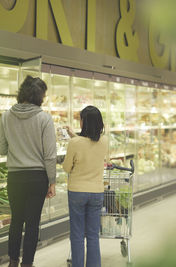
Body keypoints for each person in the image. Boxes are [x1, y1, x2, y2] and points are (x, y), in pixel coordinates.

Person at [0, 75, 57, 267]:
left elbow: (1, 150)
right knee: (32, 224)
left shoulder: (6, 117)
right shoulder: (44, 118)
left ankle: (13, 262)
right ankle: (27, 264)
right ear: (39, 96)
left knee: (16, 222)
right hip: (37, 178)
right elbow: (49, 155)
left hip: (15, 177)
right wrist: (52, 180)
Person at [62, 106, 108, 267]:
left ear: (83, 122)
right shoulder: (105, 141)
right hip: (96, 192)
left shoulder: (74, 143)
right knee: (93, 235)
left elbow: (67, 167)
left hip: (77, 192)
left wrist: (73, 138)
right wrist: (74, 135)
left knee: (77, 235)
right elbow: (90, 144)